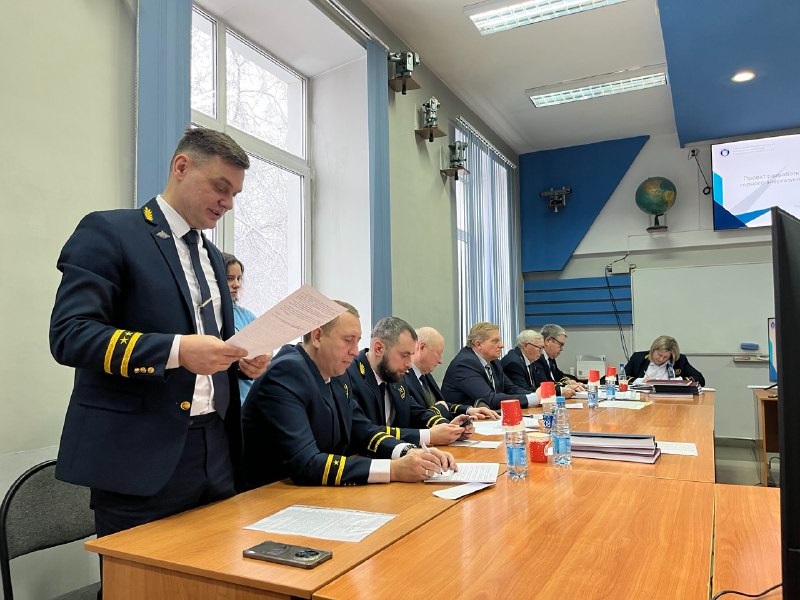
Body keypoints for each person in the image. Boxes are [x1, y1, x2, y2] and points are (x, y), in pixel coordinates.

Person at [49, 127, 271, 540]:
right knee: (142, 574)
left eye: (235, 194)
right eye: (220, 187)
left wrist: (240, 364)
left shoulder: (212, 256)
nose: (228, 203)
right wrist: (176, 350)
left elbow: (209, 349)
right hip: (138, 455)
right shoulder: (112, 232)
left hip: (216, 449)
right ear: (181, 167)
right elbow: (70, 334)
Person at [241, 302, 456, 487]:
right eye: (348, 340)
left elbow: (362, 429)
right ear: (317, 336)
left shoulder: (336, 373)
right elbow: (306, 463)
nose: (355, 351)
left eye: (357, 341)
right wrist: (393, 470)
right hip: (267, 498)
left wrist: (408, 451)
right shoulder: (287, 372)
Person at [347, 317, 471, 446]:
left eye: (411, 355)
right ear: (379, 348)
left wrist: (449, 428)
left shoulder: (393, 374)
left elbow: (414, 412)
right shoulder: (350, 376)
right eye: (404, 355)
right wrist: (428, 436)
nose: (409, 364)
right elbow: (366, 431)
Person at [404, 326, 499, 421]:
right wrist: (441, 411)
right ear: (422, 347)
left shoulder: (425, 375)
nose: (440, 361)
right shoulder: (403, 378)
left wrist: (468, 410)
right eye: (438, 353)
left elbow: (443, 404)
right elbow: (416, 416)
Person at [441, 322, 539, 410]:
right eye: (495, 341)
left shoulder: (493, 362)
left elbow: (511, 389)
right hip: (463, 421)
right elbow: (489, 399)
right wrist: (532, 399)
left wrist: (537, 396)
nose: (501, 345)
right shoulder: (465, 364)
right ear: (478, 344)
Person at [223, 252, 271, 403]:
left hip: (247, 400)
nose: (236, 284)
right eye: (230, 278)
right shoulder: (207, 316)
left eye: (239, 278)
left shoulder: (247, 316)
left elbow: (266, 347)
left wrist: (265, 356)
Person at [624, 335, 706, 386]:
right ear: (653, 349)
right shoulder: (638, 358)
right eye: (659, 355)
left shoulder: (679, 360)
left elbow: (700, 379)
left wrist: (679, 381)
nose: (661, 359)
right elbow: (620, 378)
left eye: (665, 357)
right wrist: (640, 381)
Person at [535, 323, 584, 397]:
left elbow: (559, 375)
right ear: (548, 340)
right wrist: (566, 387)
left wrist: (567, 381)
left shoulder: (550, 358)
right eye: (560, 344)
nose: (562, 349)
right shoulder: (537, 358)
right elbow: (544, 384)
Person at [500, 329, 549, 394]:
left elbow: (538, 384)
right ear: (526, 345)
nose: (542, 352)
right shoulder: (514, 363)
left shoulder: (530, 359)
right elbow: (523, 390)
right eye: (540, 348)